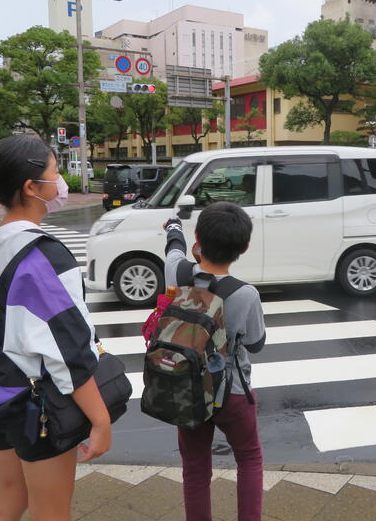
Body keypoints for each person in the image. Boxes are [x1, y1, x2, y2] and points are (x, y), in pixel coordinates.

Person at [0, 135, 111, 521]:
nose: (61, 182)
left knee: (9, 501)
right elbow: (68, 349)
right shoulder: (43, 255)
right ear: (31, 187)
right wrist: (100, 420)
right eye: (56, 172)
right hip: (36, 405)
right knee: (51, 512)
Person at [163, 202, 266, 521]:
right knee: (249, 458)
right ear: (243, 248)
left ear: (198, 239)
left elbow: (173, 248)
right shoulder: (245, 294)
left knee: (195, 469)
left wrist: (173, 227)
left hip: (187, 388)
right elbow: (255, 343)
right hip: (231, 392)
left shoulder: (177, 272)